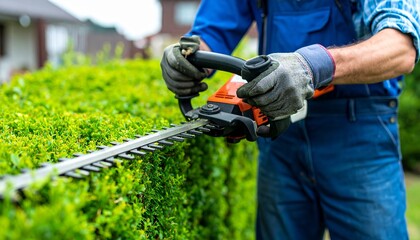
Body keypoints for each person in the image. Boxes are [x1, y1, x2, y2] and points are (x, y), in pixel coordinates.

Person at [160, 0, 420, 239]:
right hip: (280, 132)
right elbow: (211, 34)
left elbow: (400, 47)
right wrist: (188, 58)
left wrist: (314, 66)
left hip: (359, 134)